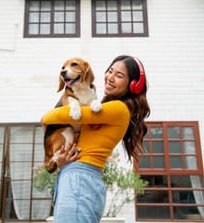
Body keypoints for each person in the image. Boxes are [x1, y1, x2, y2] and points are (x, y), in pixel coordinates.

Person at [41, 55, 151, 223]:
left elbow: (53, 116)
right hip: (76, 175)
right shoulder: (103, 107)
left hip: (80, 179)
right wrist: (61, 163)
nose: (110, 77)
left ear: (133, 85)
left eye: (119, 75)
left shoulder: (119, 108)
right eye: (110, 71)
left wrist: (44, 118)